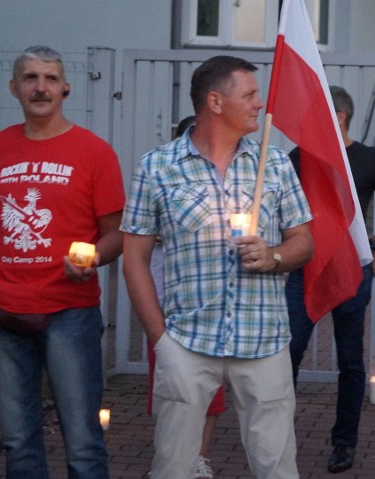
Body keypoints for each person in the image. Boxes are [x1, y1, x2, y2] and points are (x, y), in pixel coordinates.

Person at [121, 55, 313, 478]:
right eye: (249, 94)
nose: (260, 104)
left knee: (277, 468)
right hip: (187, 341)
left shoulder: (275, 164)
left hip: (264, 340)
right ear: (215, 101)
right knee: (173, 467)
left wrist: (274, 256)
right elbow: (133, 259)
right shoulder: (157, 167)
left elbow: (305, 243)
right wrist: (160, 339)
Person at [0, 45, 124, 477]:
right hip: (1, 309)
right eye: (30, 78)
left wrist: (93, 258)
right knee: (19, 442)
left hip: (69, 312)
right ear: (14, 87)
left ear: (66, 88)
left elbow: (117, 233)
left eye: (50, 78)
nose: (41, 87)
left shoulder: (94, 152)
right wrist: (4, 258)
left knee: (82, 442)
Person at [286, 86, 375, 473]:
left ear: (339, 116)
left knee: (351, 361)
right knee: (287, 355)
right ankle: (278, 437)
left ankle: (344, 443)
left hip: (350, 271)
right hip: (303, 269)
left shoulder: (369, 160)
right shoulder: (300, 157)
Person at [143, 114, 224, 479]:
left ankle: (200, 458)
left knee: (209, 390)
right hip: (164, 301)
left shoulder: (226, 186)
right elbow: (136, 233)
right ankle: (171, 457)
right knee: (167, 386)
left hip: (209, 304)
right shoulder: (156, 179)